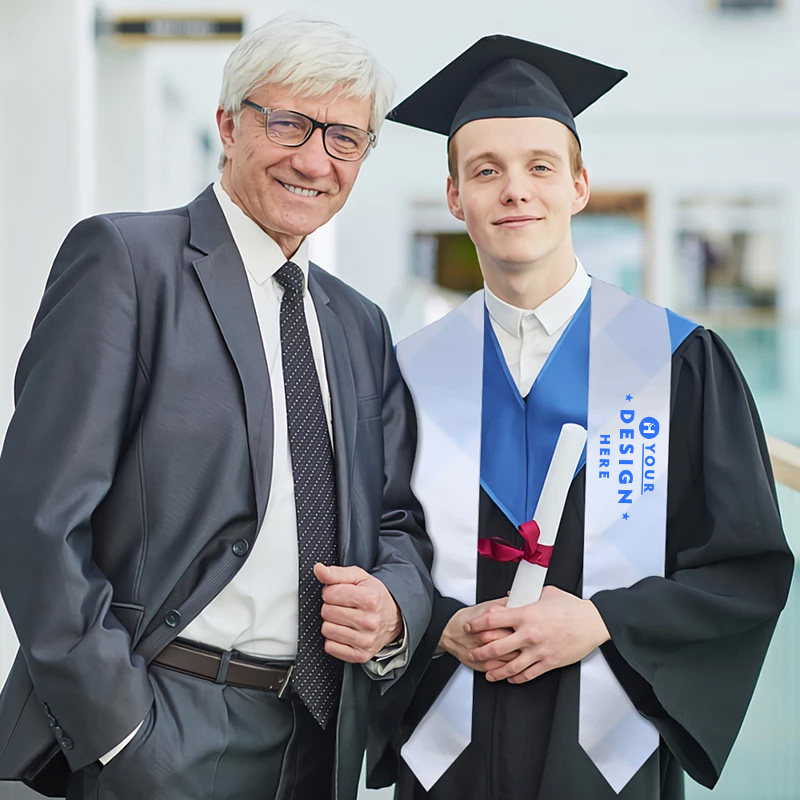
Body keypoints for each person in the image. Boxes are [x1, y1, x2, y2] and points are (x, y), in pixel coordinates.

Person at [0, 16, 432, 800]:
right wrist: (120, 733)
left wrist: (394, 607)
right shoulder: (128, 265)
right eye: (289, 123)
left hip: (314, 735)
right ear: (230, 125)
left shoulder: (359, 322)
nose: (313, 159)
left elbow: (397, 517)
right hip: (158, 722)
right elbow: (38, 520)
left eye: (344, 138)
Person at [367, 34, 793, 800]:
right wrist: (439, 627)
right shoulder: (406, 372)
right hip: (448, 749)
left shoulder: (677, 362)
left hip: (607, 753)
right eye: (486, 170)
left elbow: (745, 569)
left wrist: (602, 621)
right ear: (456, 197)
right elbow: (372, 548)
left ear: (580, 186)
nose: (514, 190)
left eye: (539, 166)